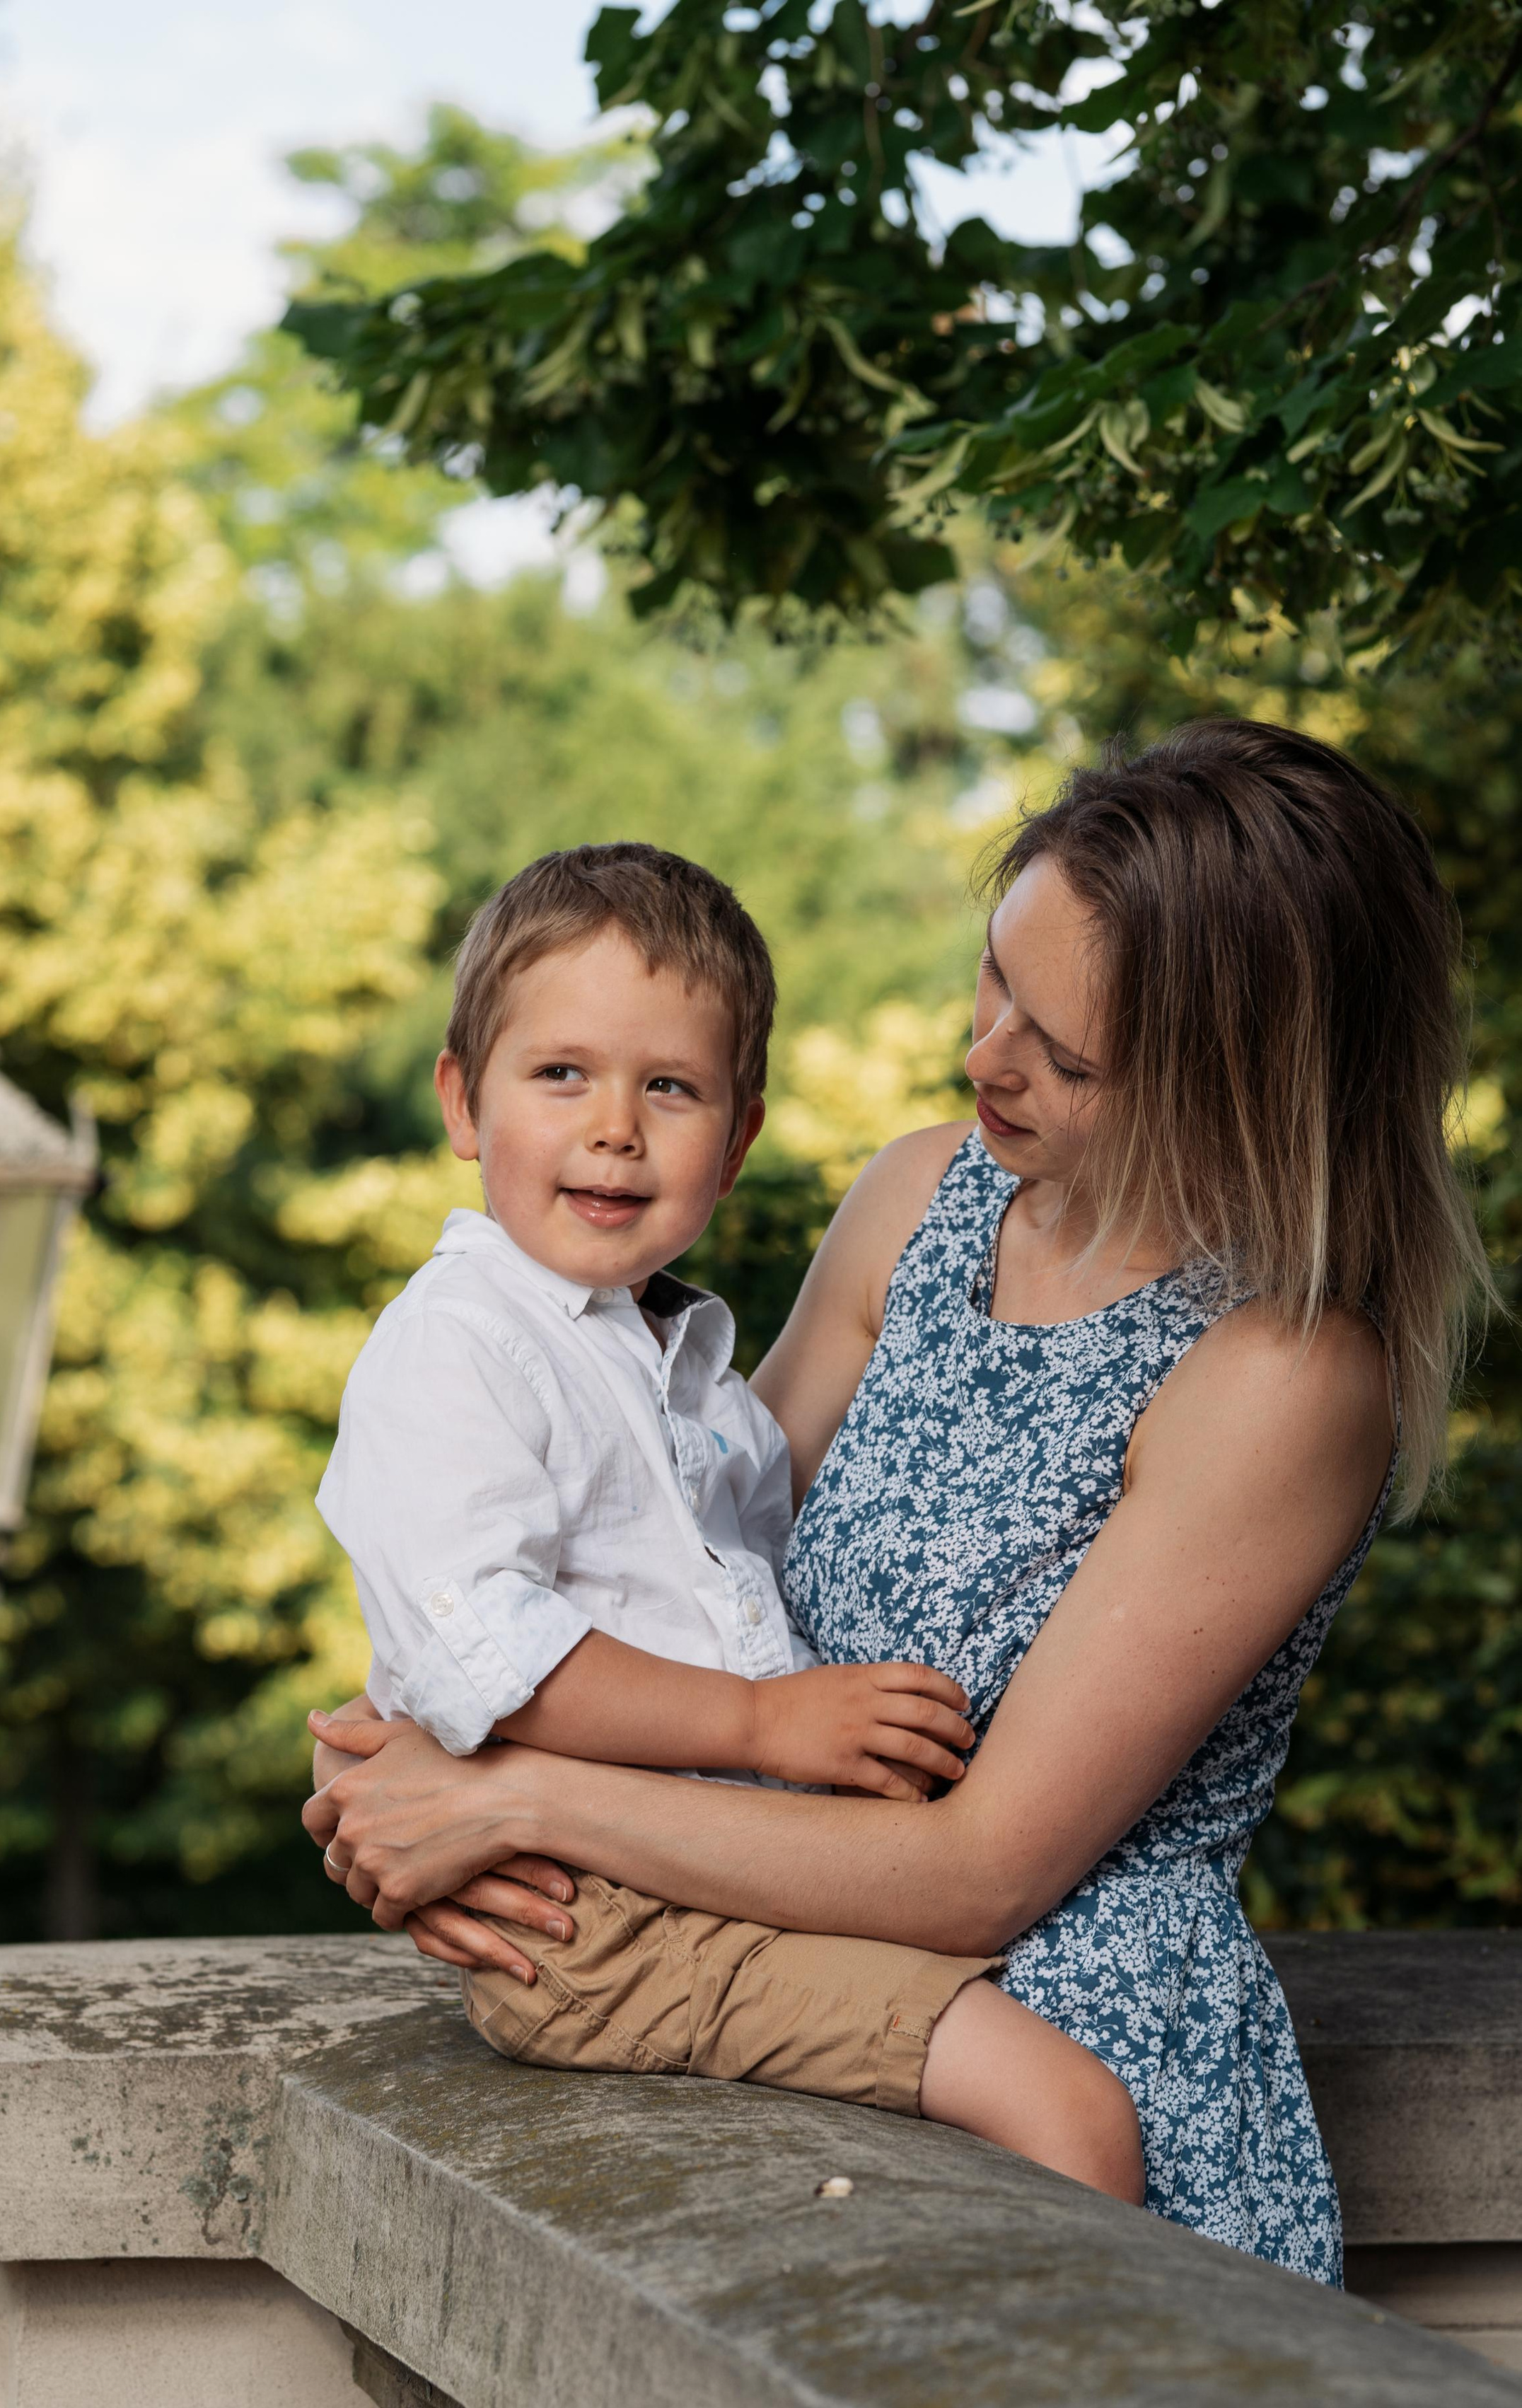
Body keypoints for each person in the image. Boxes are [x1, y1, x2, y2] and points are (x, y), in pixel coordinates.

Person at [308, 723, 1492, 2283]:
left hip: (1069, 2047)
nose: (982, 1057)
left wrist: (513, 1805)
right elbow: (680, 1557)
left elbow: (981, 1868)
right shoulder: (922, 1197)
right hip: (777, 1964)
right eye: (994, 981)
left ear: (1232, 1084)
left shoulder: (1277, 1374)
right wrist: (396, 1758)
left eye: (1060, 1053)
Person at [316, 843, 1144, 2199]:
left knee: (1035, 2077)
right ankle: (1047, 2395)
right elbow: (490, 1651)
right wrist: (767, 1725)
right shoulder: (455, 1348)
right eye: (561, 1074)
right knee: (1060, 2106)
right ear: (464, 1104)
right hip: (609, 1921)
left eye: (671, 1089)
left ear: (738, 1138)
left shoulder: (672, 1367)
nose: (615, 1129)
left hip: (692, 1877)